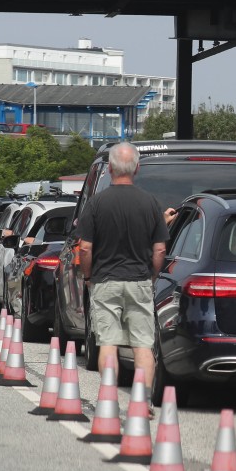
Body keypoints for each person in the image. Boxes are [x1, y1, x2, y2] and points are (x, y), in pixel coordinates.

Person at [76, 142, 168, 402]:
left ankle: (108, 400)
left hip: (105, 281)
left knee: (107, 343)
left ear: (111, 169)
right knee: (142, 345)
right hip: (139, 281)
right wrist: (150, 275)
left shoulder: (96, 204)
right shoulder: (151, 204)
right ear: (137, 168)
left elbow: (84, 248)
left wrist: (89, 276)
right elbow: (159, 250)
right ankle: (143, 401)